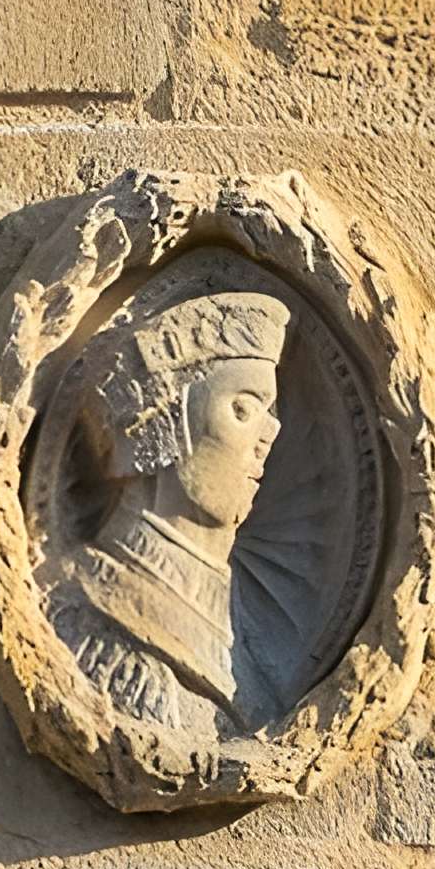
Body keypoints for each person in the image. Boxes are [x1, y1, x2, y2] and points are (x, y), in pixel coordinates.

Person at [41, 285, 290, 739]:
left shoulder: (243, 631)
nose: (267, 436)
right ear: (169, 422)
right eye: (243, 408)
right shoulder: (88, 617)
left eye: (269, 413)